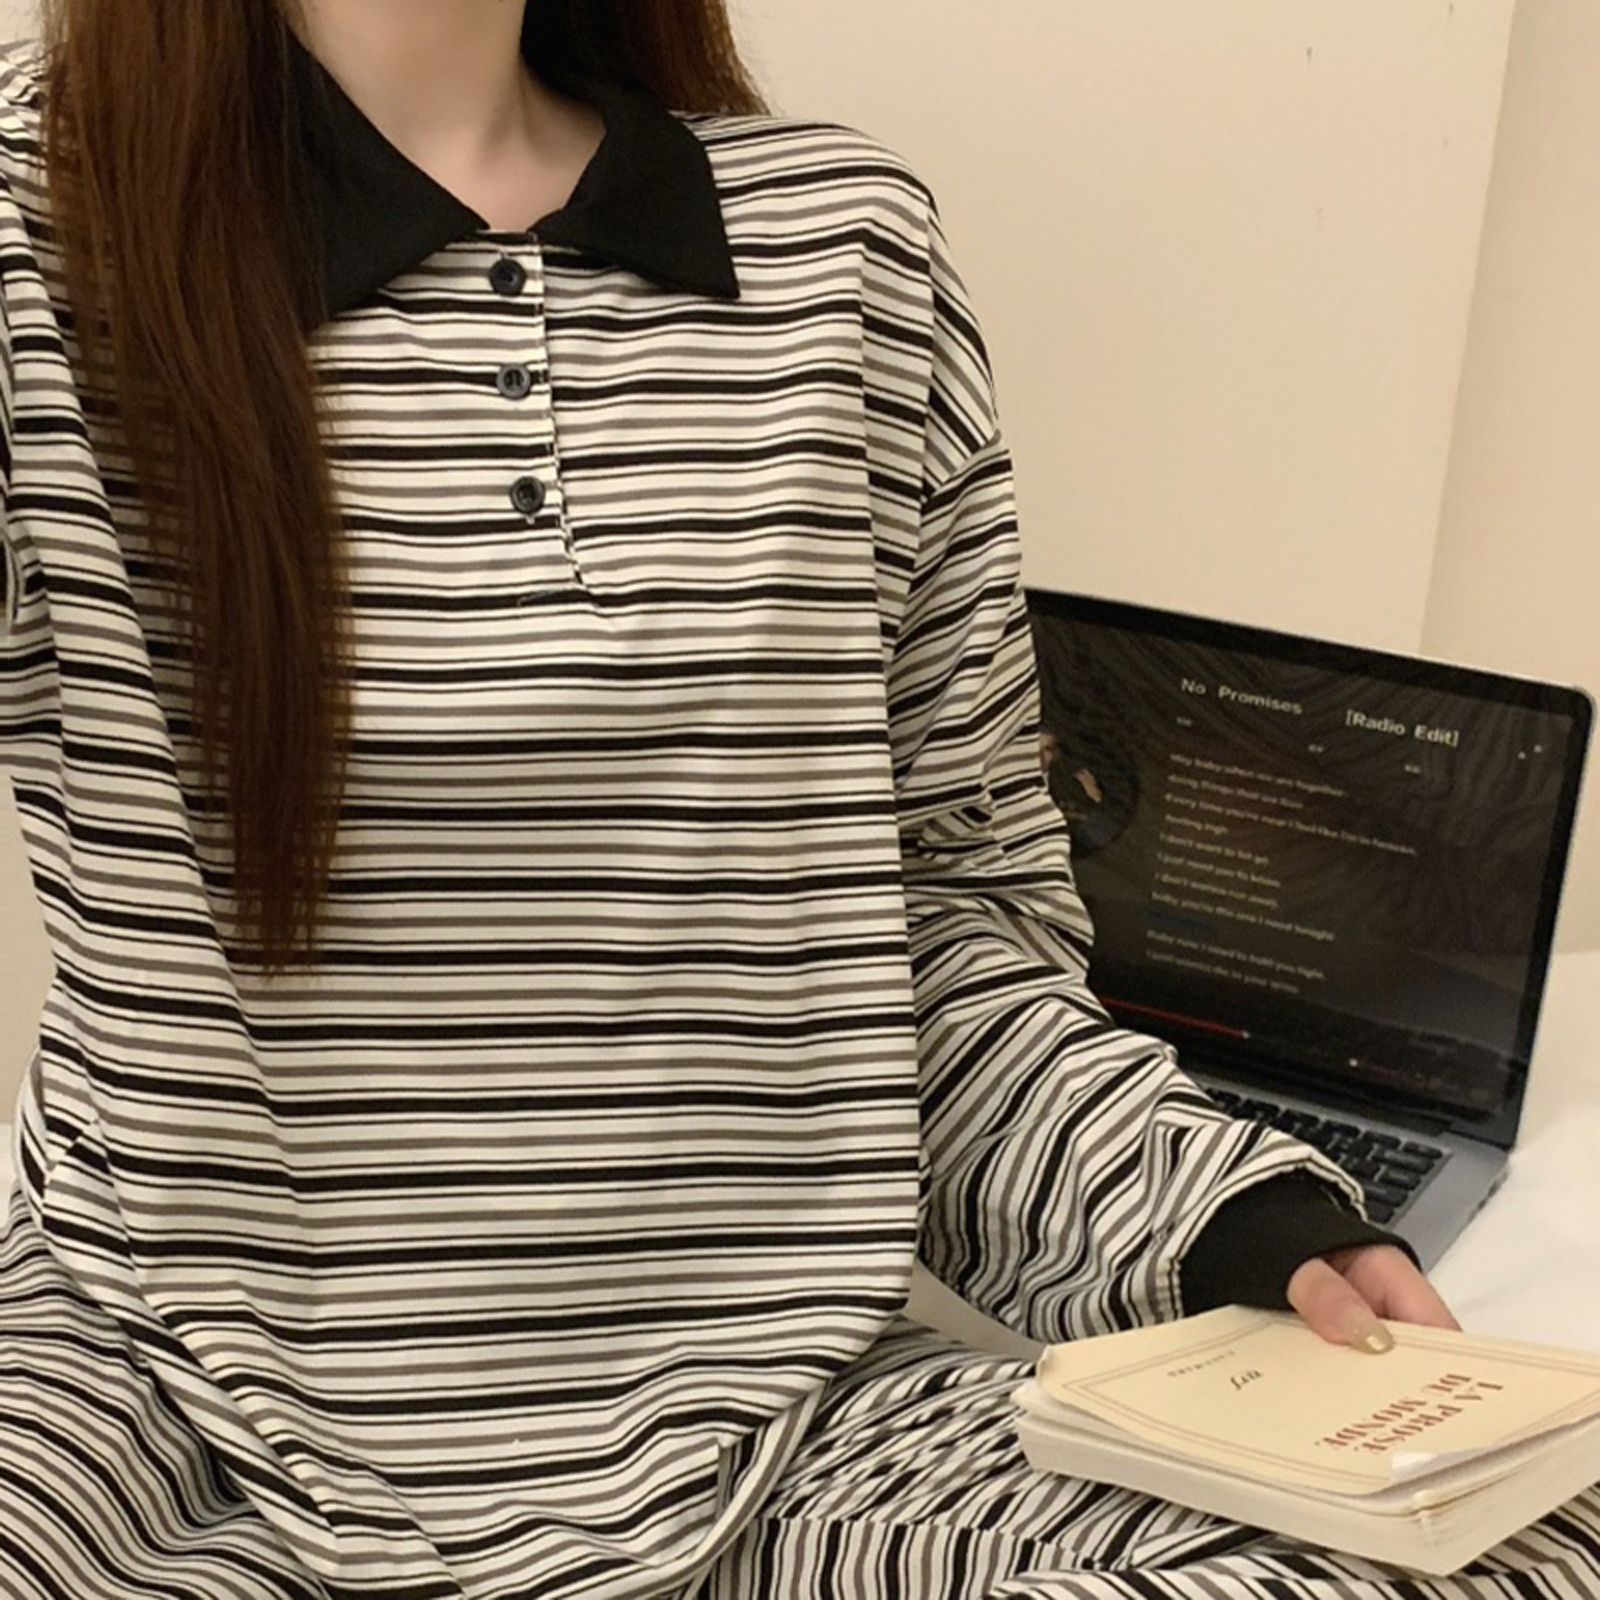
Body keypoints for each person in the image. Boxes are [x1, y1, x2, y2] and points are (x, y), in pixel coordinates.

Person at [0, 2, 1593, 1596]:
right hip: (172, 1402)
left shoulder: (842, 248)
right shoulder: (38, 227)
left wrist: (1231, 1220)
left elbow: (937, 936)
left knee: (1511, 1540)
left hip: (770, 1420)